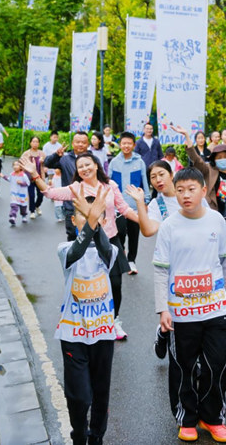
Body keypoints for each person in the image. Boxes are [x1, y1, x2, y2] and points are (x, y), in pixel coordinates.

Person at [21, 152, 140, 341]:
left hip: (110, 240)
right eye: (80, 166)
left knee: (115, 284)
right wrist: (35, 174)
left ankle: (114, 320)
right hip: (87, 244)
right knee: (91, 285)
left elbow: (124, 208)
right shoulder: (76, 188)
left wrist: (145, 221)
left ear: (96, 165)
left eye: (87, 164)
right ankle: (89, 320)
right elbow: (50, 193)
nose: (85, 169)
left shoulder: (110, 185)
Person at [152, 167, 226, 443]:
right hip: (181, 313)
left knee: (219, 365)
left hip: (215, 308)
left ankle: (211, 417)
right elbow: (160, 269)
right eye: (180, 190)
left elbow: (225, 260)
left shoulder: (216, 220)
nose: (186, 195)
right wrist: (163, 309)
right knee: (183, 368)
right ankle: (187, 418)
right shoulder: (169, 226)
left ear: (203, 190)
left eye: (191, 189)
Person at [124, 160, 209, 360]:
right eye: (153, 177)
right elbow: (148, 230)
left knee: (196, 309)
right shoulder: (157, 204)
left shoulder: (192, 195)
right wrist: (140, 202)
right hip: (172, 267)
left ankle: (192, 351)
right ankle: (165, 334)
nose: (157, 180)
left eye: (161, 174)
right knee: (176, 312)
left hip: (199, 262)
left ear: (172, 174)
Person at [56, 185, 117, 445]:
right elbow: (77, 251)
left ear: (104, 220)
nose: (90, 218)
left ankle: (97, 436)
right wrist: (92, 220)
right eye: (83, 214)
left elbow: (104, 247)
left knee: (101, 392)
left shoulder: (110, 251)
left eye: (95, 214)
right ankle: (79, 434)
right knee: (80, 396)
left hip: (103, 334)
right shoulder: (64, 248)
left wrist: (93, 220)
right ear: (73, 219)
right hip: (73, 335)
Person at [181, 125, 226, 251]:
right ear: (214, 159)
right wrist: (186, 136)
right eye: (219, 157)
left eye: (225, 156)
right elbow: (196, 159)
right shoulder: (208, 171)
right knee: (211, 252)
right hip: (212, 218)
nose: (222, 159)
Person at [108, 131, 150, 276]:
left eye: (129, 143)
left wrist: (146, 201)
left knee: (134, 234)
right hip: (118, 207)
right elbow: (108, 182)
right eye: (124, 143)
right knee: (119, 232)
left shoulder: (139, 162)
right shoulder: (114, 162)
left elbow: (144, 181)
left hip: (135, 206)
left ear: (134, 145)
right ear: (120, 145)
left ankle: (132, 260)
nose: (126, 146)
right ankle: (122, 255)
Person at [44, 132, 90, 241]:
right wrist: (56, 155)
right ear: (73, 143)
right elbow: (47, 163)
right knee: (72, 237)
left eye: (83, 142)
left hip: (89, 205)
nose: (80, 144)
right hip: (71, 206)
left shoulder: (93, 159)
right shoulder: (65, 159)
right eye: (77, 142)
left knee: (90, 237)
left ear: (88, 144)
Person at [21, 136, 46, 219]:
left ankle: (37, 206)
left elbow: (47, 164)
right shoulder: (26, 153)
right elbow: (20, 163)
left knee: (41, 195)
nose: (35, 143)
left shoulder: (42, 154)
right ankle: (32, 211)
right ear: (30, 143)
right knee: (31, 195)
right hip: (29, 178)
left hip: (39, 178)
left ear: (39, 143)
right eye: (33, 141)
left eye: (37, 142)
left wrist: (43, 162)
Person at [0, 161, 30, 226]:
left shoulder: (23, 175)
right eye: (14, 165)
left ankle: (24, 215)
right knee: (13, 205)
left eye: (17, 165)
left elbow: (28, 183)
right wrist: (3, 176)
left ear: (21, 167)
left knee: (23, 207)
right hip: (14, 193)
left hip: (22, 194)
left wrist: (21, 183)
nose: (15, 166)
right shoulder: (12, 174)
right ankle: (13, 217)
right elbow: (9, 179)